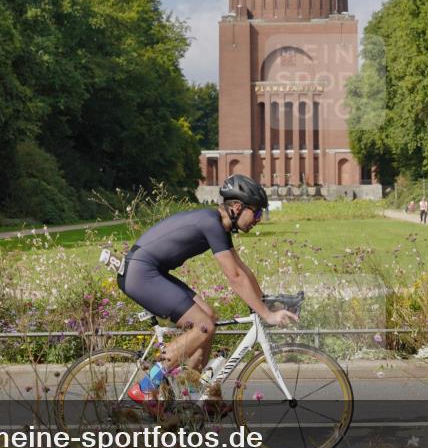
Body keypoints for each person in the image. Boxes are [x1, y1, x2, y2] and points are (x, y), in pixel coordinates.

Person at [119, 174, 299, 413]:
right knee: (203, 325)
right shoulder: (211, 223)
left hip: (150, 271)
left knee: (209, 316)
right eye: (256, 213)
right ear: (236, 207)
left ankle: (193, 393)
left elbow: (242, 270)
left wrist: (264, 300)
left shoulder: (219, 225)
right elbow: (234, 277)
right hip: (140, 274)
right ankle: (146, 385)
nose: (258, 219)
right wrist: (266, 314)